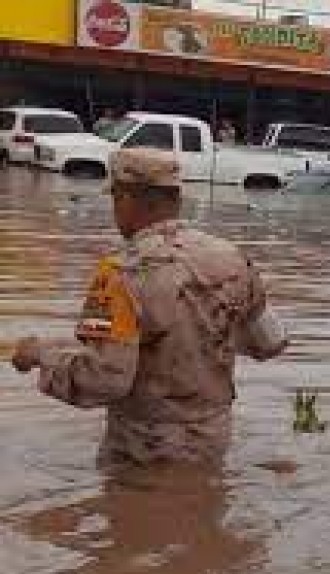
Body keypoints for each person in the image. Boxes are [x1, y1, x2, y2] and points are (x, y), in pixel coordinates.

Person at [11, 148, 288, 468]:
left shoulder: (121, 273)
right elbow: (271, 343)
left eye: (114, 198)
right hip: (213, 441)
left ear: (125, 199)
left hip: (144, 450)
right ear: (176, 199)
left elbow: (105, 379)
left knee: (129, 514)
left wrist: (40, 355)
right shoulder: (232, 259)